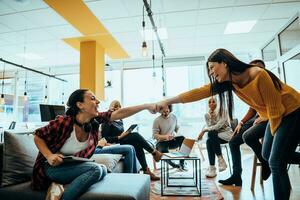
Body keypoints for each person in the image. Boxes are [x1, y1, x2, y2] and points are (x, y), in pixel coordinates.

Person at [156, 49, 300, 200]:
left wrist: (271, 133)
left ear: (224, 63)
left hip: (293, 111)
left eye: (212, 67)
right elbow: (199, 92)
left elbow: (276, 110)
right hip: (275, 115)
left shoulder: (258, 74)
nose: (210, 72)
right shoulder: (231, 83)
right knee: (267, 155)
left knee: (275, 162)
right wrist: (168, 101)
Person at [32, 89, 158, 200]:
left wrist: (146, 106)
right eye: (93, 98)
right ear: (80, 105)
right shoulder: (63, 122)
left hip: (73, 166)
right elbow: (38, 136)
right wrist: (49, 156)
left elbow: (119, 113)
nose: (98, 101)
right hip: (52, 168)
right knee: (96, 168)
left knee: (102, 169)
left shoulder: (93, 122)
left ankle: (65, 187)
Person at [219, 59, 270, 186]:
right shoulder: (251, 87)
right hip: (256, 118)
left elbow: (277, 106)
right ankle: (236, 176)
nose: (256, 71)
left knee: (248, 137)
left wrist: (267, 116)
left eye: (260, 69)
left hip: (268, 118)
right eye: (253, 68)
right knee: (233, 141)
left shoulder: (268, 83)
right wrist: (241, 122)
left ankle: (265, 162)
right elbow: (252, 109)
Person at [100, 100, 162, 181]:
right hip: (113, 143)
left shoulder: (120, 121)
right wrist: (119, 137)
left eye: (119, 110)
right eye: (116, 110)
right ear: (112, 110)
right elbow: (105, 138)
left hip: (121, 140)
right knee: (135, 135)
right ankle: (154, 153)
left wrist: (125, 133)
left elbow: (120, 133)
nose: (118, 113)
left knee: (137, 144)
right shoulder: (107, 122)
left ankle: (146, 170)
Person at [198, 97, 233, 178]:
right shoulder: (207, 115)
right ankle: (215, 165)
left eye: (213, 101)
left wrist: (203, 131)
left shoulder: (223, 111)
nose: (211, 103)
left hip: (226, 134)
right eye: (209, 102)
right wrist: (211, 118)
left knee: (210, 135)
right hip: (215, 137)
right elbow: (210, 127)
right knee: (209, 140)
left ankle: (216, 164)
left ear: (217, 103)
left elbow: (218, 126)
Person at [152, 105, 186, 170]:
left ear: (169, 109)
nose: (165, 113)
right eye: (163, 112)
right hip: (161, 143)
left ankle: (182, 163)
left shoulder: (174, 117)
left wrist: (179, 130)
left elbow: (176, 129)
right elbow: (155, 135)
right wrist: (165, 136)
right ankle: (174, 165)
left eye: (167, 111)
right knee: (163, 152)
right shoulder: (157, 120)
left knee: (183, 139)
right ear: (160, 110)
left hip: (172, 141)